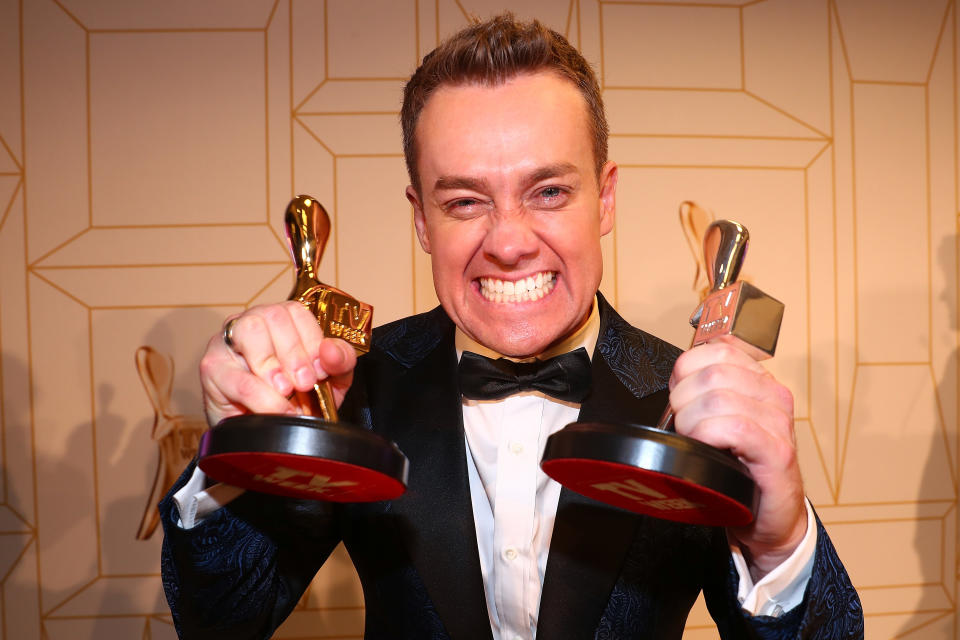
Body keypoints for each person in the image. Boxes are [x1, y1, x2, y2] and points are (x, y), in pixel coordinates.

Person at [160, 13, 863, 640]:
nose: (509, 241)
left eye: (549, 191)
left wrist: (779, 544)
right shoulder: (354, 384)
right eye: (465, 202)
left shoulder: (690, 400)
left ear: (606, 198)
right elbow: (221, 619)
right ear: (420, 219)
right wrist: (236, 456)